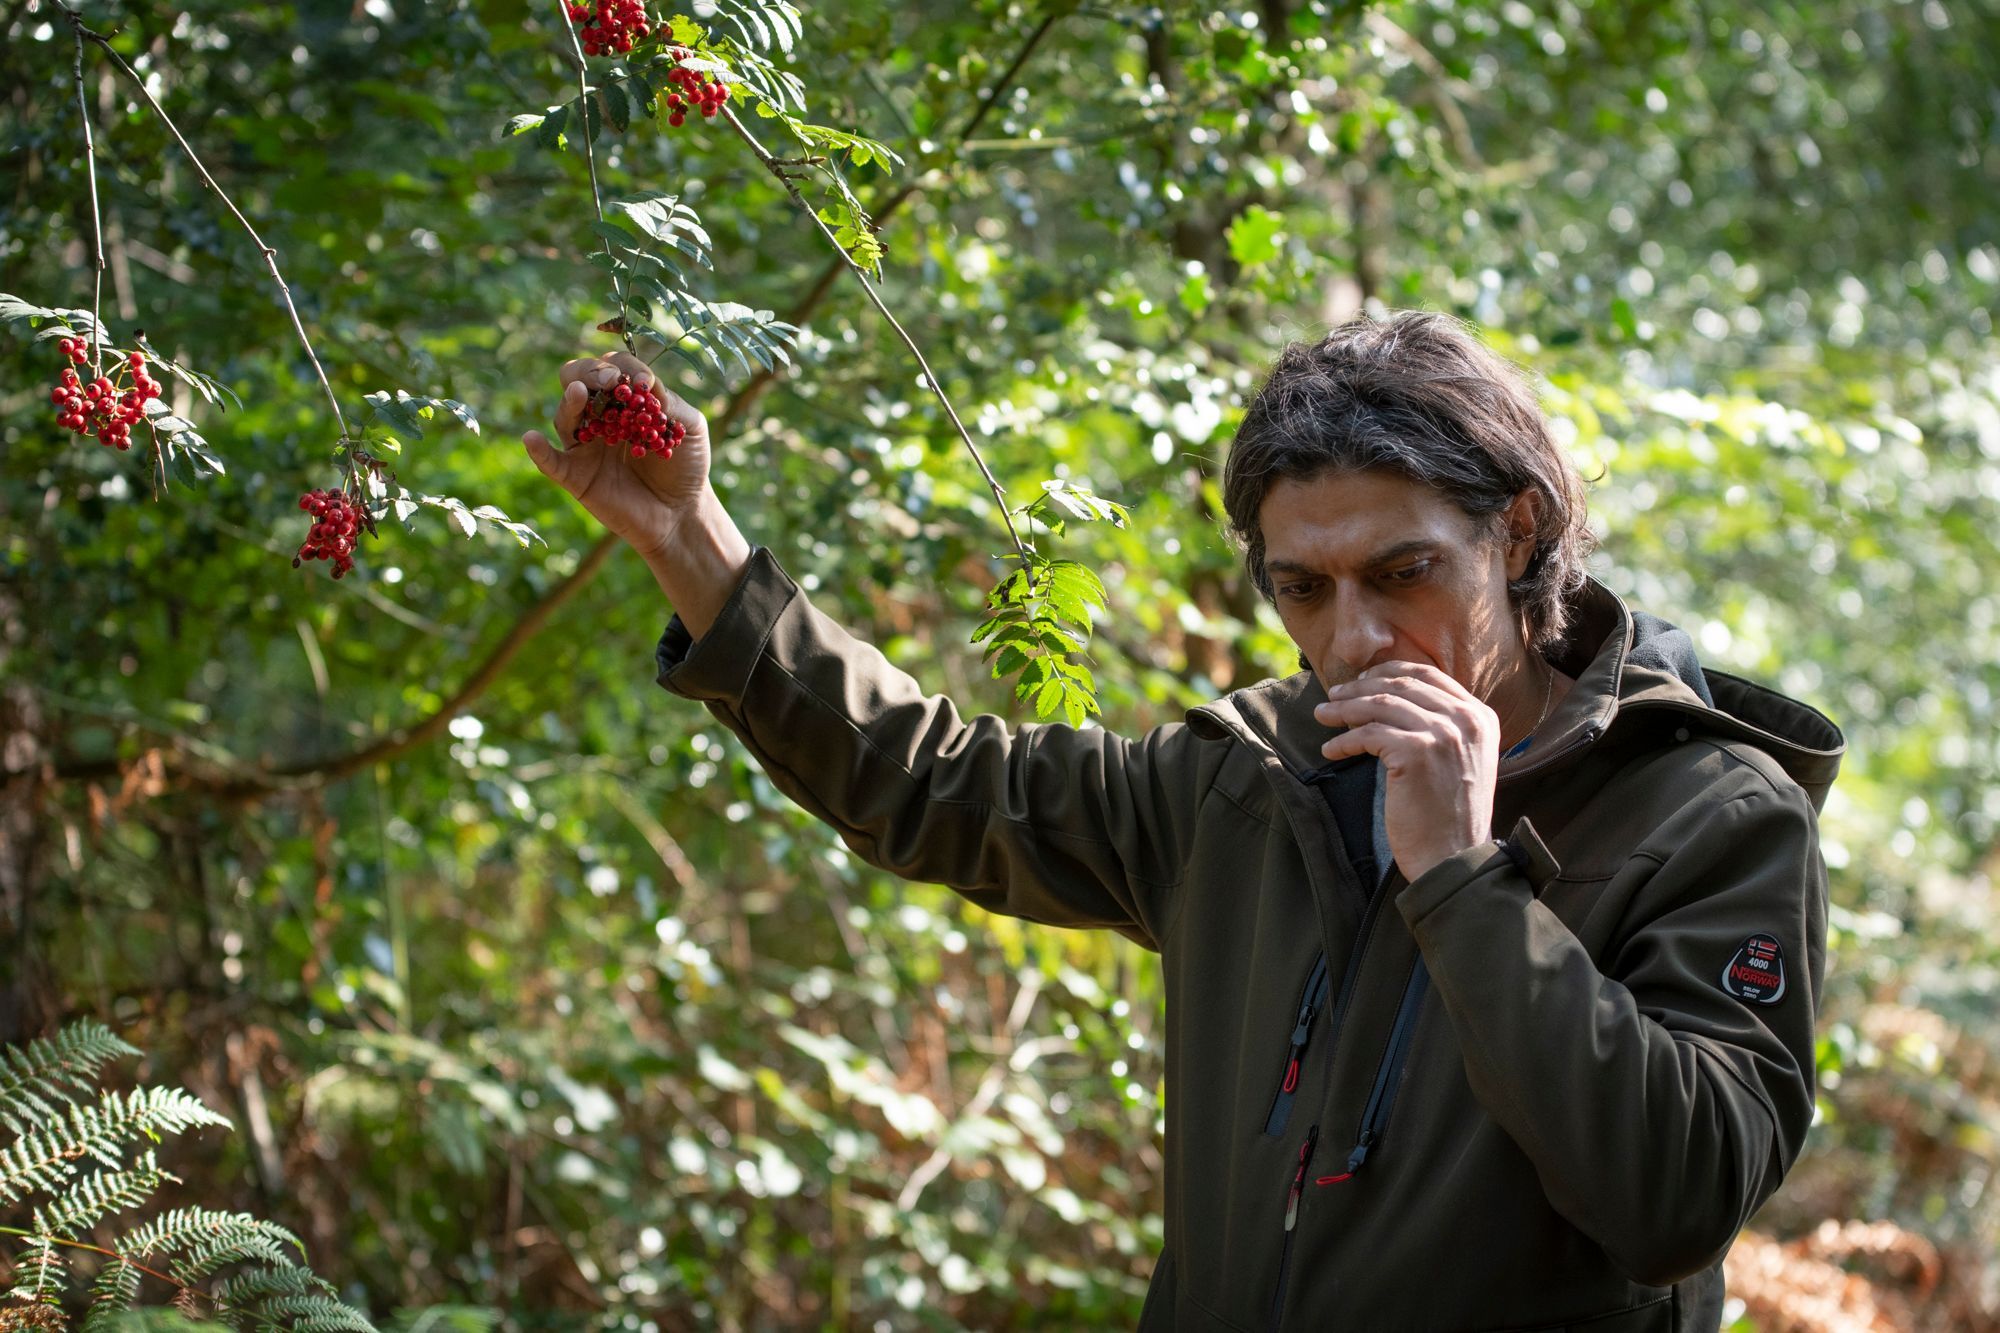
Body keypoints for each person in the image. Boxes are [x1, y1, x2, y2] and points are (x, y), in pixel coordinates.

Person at [524, 310, 1844, 1331]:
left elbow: (1677, 1193)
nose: (1353, 637)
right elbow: (940, 785)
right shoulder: (1250, 777)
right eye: (1303, 589)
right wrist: (691, 539)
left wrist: (1464, 877)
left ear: (1517, 531)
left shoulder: (1710, 814)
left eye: (1401, 573)